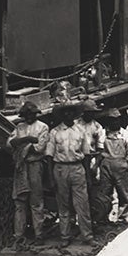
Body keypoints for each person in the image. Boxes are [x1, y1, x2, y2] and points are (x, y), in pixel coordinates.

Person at [46, 102, 94, 244]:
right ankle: (65, 236)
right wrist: (51, 178)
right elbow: (49, 156)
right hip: (60, 169)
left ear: (74, 114)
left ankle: (87, 236)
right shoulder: (54, 132)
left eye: (70, 111)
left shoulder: (81, 131)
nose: (68, 114)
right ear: (61, 115)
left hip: (77, 168)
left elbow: (86, 154)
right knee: (63, 205)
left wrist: (88, 176)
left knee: (82, 204)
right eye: (65, 112)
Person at [7, 102, 49, 245]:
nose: (29, 117)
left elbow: (39, 147)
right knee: (20, 201)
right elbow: (10, 143)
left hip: (34, 165)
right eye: (26, 115)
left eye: (31, 114)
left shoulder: (43, 127)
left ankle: (39, 234)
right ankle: (18, 235)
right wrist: (28, 140)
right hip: (21, 167)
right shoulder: (19, 127)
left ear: (36, 114)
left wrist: (22, 145)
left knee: (36, 201)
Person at [95, 112, 128, 225]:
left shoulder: (125, 134)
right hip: (106, 164)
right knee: (105, 192)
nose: (115, 122)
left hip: (121, 164)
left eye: (117, 119)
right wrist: (96, 166)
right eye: (112, 119)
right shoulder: (103, 133)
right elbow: (100, 150)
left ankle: (123, 217)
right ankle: (104, 217)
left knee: (123, 192)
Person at [77, 99, 106, 229]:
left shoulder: (97, 126)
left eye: (93, 112)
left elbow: (100, 148)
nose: (92, 115)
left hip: (92, 158)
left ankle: (94, 217)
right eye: (89, 112)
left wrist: (96, 165)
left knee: (93, 186)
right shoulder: (76, 125)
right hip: (78, 159)